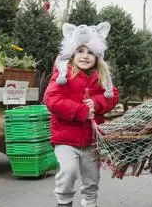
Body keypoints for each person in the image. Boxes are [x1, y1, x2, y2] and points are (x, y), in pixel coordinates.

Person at [44, 22, 119, 207]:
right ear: (72, 53)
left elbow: (112, 96)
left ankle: (90, 203)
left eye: (90, 52)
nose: (85, 56)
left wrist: (98, 103)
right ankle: (64, 201)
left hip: (90, 140)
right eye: (80, 51)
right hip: (65, 138)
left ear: (97, 56)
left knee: (92, 178)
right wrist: (81, 111)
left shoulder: (101, 77)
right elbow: (52, 99)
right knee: (68, 171)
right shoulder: (63, 75)